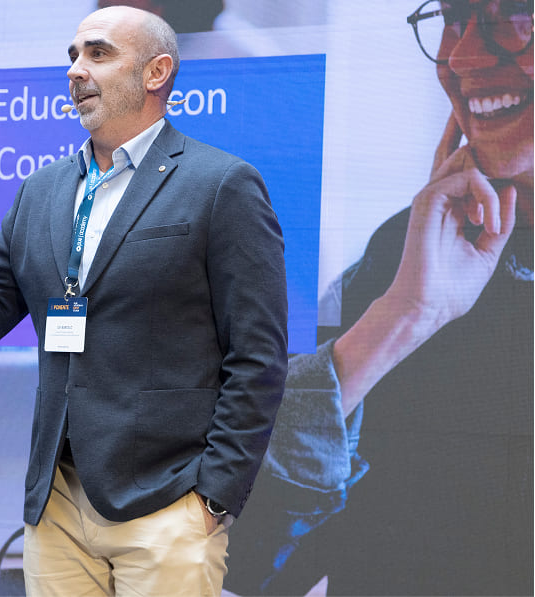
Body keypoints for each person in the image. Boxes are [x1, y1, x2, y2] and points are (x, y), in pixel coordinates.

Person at [0, 5, 288, 596]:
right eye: (73, 55)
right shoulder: (40, 191)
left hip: (166, 505)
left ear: (156, 72)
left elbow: (258, 358)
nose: (75, 69)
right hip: (57, 509)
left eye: (98, 53)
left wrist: (213, 498)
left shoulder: (220, 184)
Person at [226, 1, 533, 594]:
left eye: (514, 11)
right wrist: (402, 318)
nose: (463, 55)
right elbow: (240, 558)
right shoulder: (404, 257)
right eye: (455, 16)